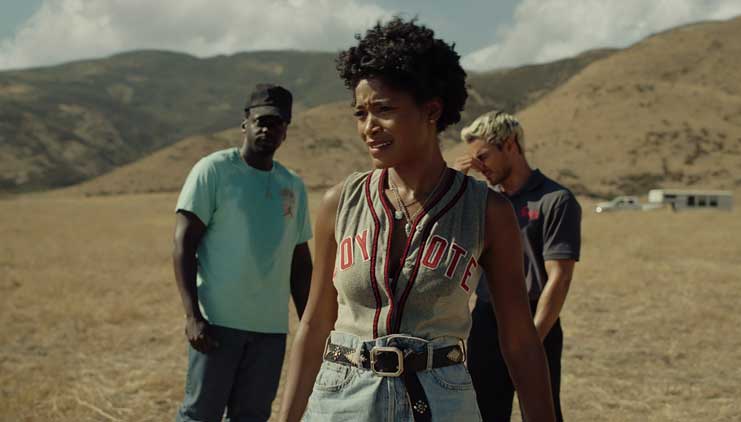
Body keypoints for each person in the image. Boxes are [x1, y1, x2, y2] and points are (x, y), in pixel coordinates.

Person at [280, 18, 555, 422]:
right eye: (360, 113)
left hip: (441, 401)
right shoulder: (340, 203)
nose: (369, 128)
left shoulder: (487, 212)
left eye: (384, 110)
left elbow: (519, 338)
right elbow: (315, 322)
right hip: (341, 400)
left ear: (432, 110)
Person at [172, 83, 313, 422]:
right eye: (261, 121)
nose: (268, 129)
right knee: (200, 414)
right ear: (245, 123)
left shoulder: (292, 186)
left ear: (286, 131)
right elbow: (183, 245)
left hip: (270, 331)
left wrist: (311, 325)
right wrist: (193, 316)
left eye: (277, 123)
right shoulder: (214, 170)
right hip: (217, 324)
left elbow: (300, 265)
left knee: (252, 416)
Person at [455, 111, 582, 422]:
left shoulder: (556, 200)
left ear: (510, 145)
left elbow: (559, 278)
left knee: (539, 414)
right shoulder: (484, 203)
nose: (479, 167)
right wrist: (455, 185)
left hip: (535, 319)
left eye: (483, 156)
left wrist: (529, 342)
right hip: (487, 320)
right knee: (482, 414)